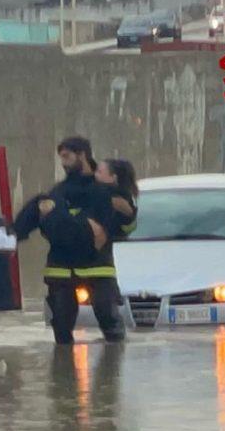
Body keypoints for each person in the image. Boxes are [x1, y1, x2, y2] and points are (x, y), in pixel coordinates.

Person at [13, 136, 126, 345]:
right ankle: (64, 365)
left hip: (97, 268)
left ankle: (114, 363)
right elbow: (48, 226)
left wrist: (62, 218)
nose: (63, 163)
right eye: (61, 158)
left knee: (109, 320)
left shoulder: (103, 192)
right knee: (61, 329)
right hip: (61, 270)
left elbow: (105, 227)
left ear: (82, 155)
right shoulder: (57, 192)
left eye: (67, 157)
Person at [94, 158, 139, 241]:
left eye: (99, 172)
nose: (95, 175)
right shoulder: (124, 199)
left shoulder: (116, 201)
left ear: (113, 178)